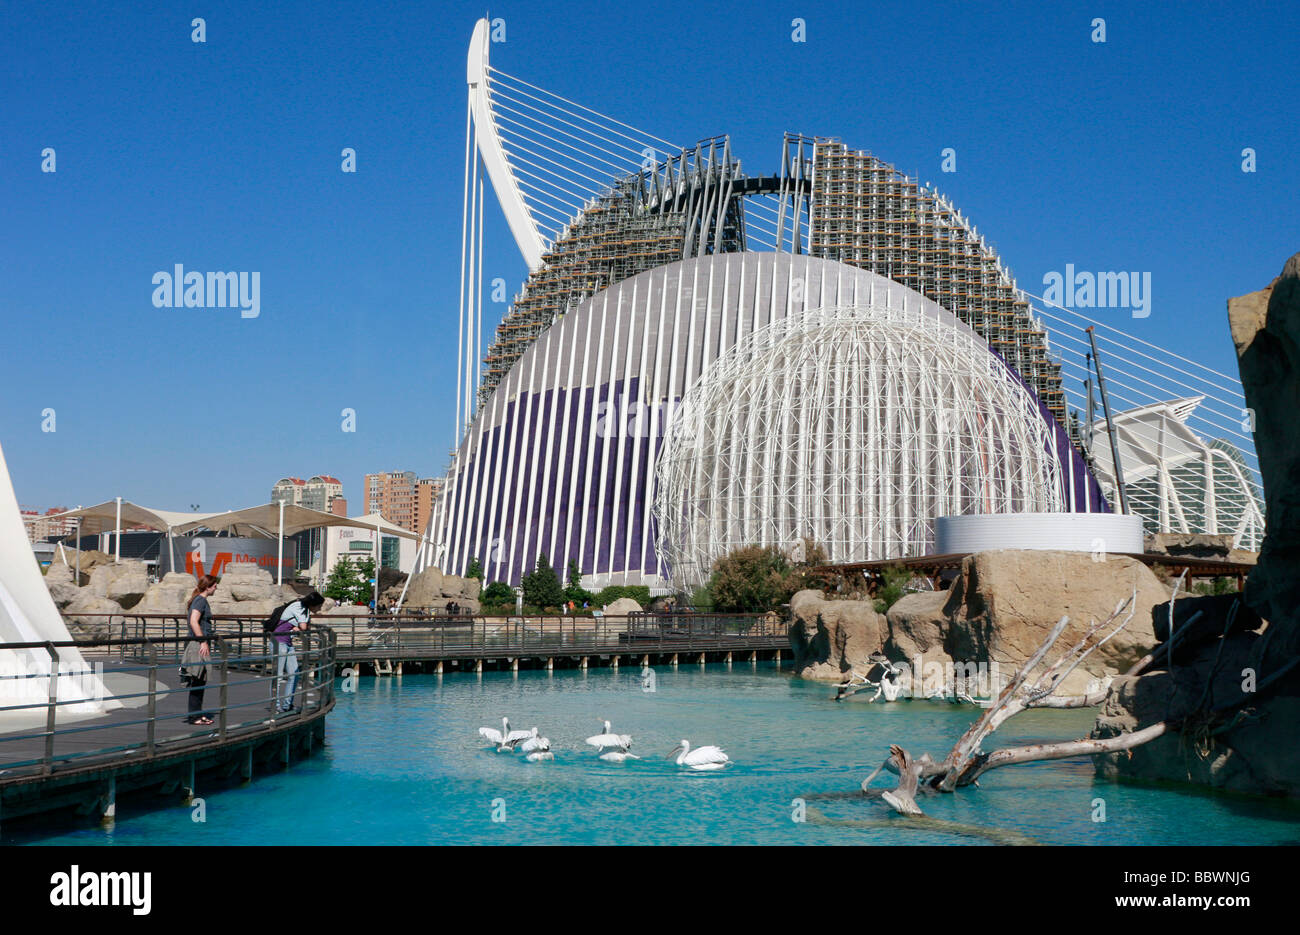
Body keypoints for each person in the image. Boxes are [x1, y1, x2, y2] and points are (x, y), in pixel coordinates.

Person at [272, 591, 325, 713]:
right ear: (313, 604)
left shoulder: (305, 609)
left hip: (287, 643)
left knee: (294, 674)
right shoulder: (299, 606)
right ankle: (275, 706)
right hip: (278, 642)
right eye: (319, 606)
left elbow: (302, 626)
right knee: (278, 676)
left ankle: (287, 705)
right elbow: (304, 627)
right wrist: (299, 627)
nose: (320, 609)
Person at [181, 574, 220, 726]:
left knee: (200, 680)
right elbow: (193, 621)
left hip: (199, 643)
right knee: (197, 680)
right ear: (208, 586)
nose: (216, 587)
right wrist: (203, 641)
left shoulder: (199, 600)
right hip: (198, 644)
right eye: (214, 585)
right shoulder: (201, 601)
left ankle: (197, 713)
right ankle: (194, 717)